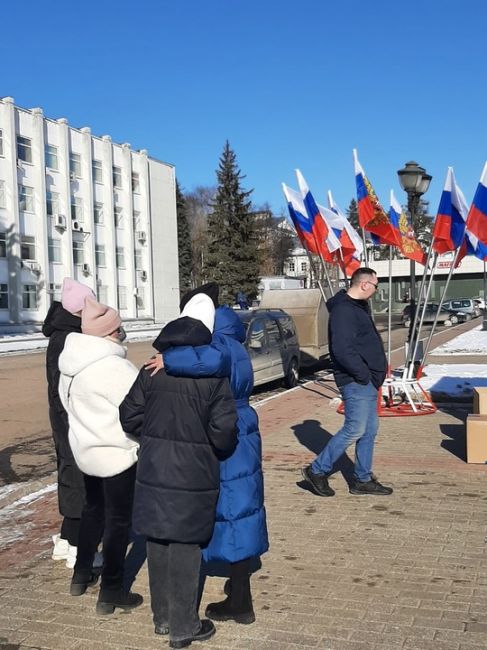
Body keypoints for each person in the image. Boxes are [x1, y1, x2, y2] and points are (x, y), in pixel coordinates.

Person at [120, 292, 238, 649]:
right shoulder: (214, 377)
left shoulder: (153, 369)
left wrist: (155, 437)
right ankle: (184, 627)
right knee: (186, 545)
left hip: (155, 469)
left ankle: (163, 619)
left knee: (157, 540)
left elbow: (128, 415)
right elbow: (223, 432)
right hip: (194, 473)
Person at [147, 282, 268, 625]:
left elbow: (205, 360)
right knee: (240, 510)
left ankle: (241, 604)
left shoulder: (220, 344)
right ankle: (239, 594)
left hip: (229, 430)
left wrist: (167, 359)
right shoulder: (233, 339)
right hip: (242, 427)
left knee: (232, 511)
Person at [58, 296, 142, 614]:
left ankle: (81, 575)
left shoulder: (71, 363)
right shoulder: (115, 368)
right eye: (119, 329)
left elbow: (68, 406)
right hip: (117, 454)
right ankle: (111, 590)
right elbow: (136, 412)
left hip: (86, 450)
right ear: (108, 333)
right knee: (119, 522)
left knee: (93, 510)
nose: (122, 333)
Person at [301, 267, 393, 497]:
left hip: (367, 381)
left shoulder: (357, 308)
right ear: (364, 284)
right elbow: (342, 349)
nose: (375, 290)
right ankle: (317, 470)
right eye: (375, 285)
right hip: (356, 381)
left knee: (369, 431)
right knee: (355, 428)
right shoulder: (344, 310)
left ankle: (362, 479)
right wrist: (363, 374)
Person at [42, 278, 95, 568]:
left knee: (72, 476)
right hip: (70, 417)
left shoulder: (64, 333)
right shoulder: (68, 338)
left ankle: (66, 540)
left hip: (64, 416)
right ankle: (77, 548)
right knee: (77, 480)